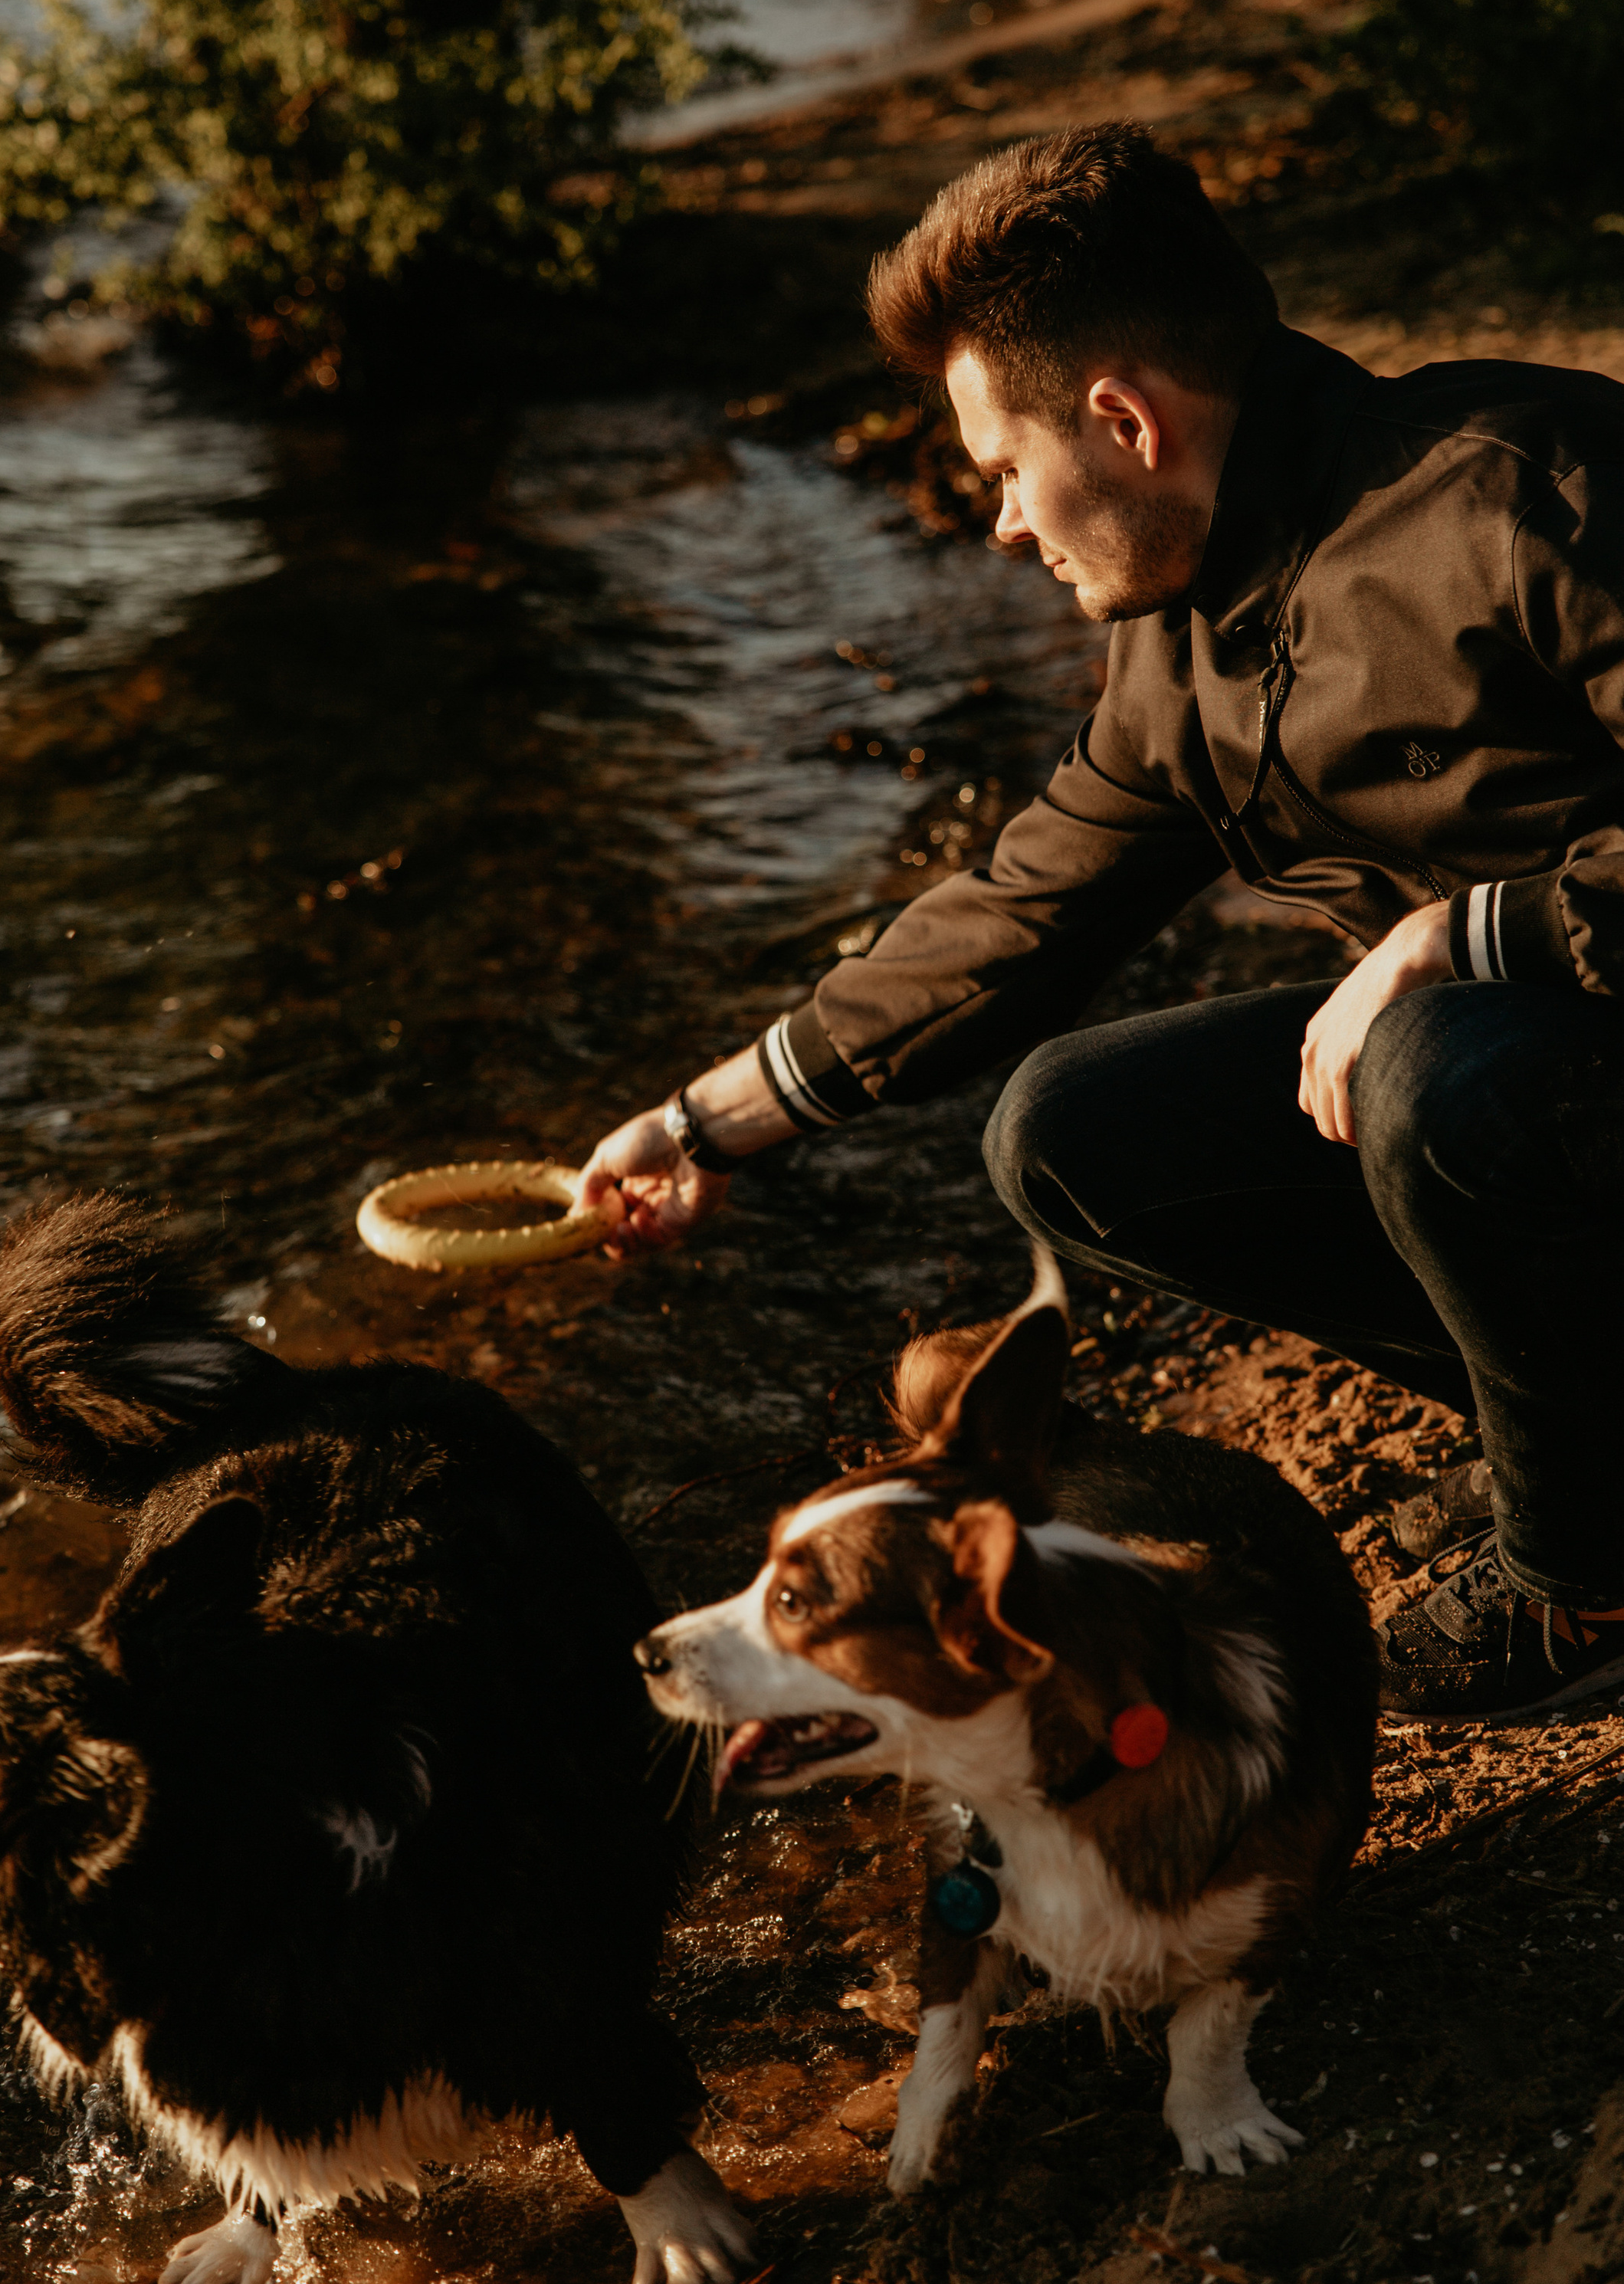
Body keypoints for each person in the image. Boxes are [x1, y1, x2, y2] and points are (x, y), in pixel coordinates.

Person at [581, 120, 1624, 1725]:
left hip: (1533, 1064)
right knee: (1065, 1131)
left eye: (1001, 468)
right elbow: (1017, 910)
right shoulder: (1185, 633)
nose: (1000, 523)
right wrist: (703, 1122)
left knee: (1430, 1065)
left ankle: (1582, 1581)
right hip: (1529, 1107)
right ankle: (1575, 1434)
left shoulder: (1518, 494)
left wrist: (1473, 935)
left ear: (1121, 419)